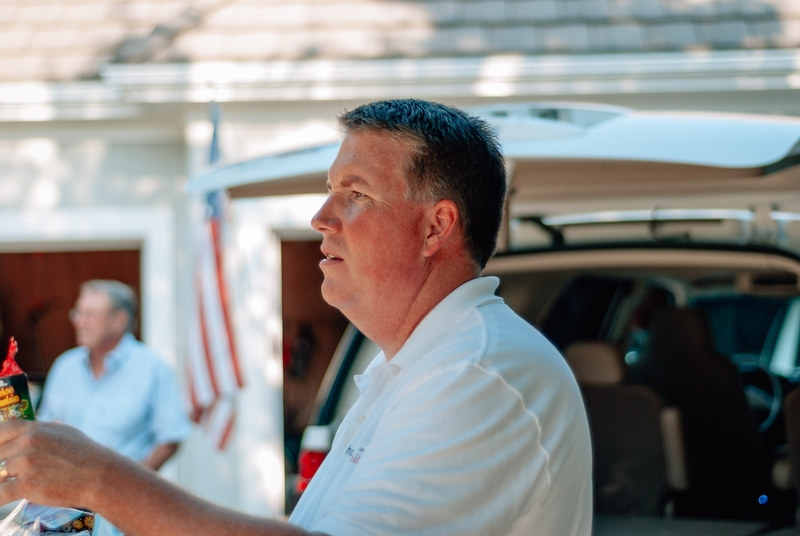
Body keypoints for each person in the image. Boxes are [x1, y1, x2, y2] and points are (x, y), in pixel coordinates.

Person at [0, 100, 591, 535]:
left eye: (356, 193)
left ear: (437, 226)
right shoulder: (422, 366)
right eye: (331, 189)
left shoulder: (477, 376)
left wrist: (99, 481)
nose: (321, 216)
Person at [37, 280, 192, 471]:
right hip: (64, 494)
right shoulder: (65, 366)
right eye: (77, 313)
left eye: (90, 315)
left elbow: (171, 438)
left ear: (119, 320)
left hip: (123, 497)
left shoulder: (153, 367)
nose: (79, 322)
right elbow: (46, 427)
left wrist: (133, 486)